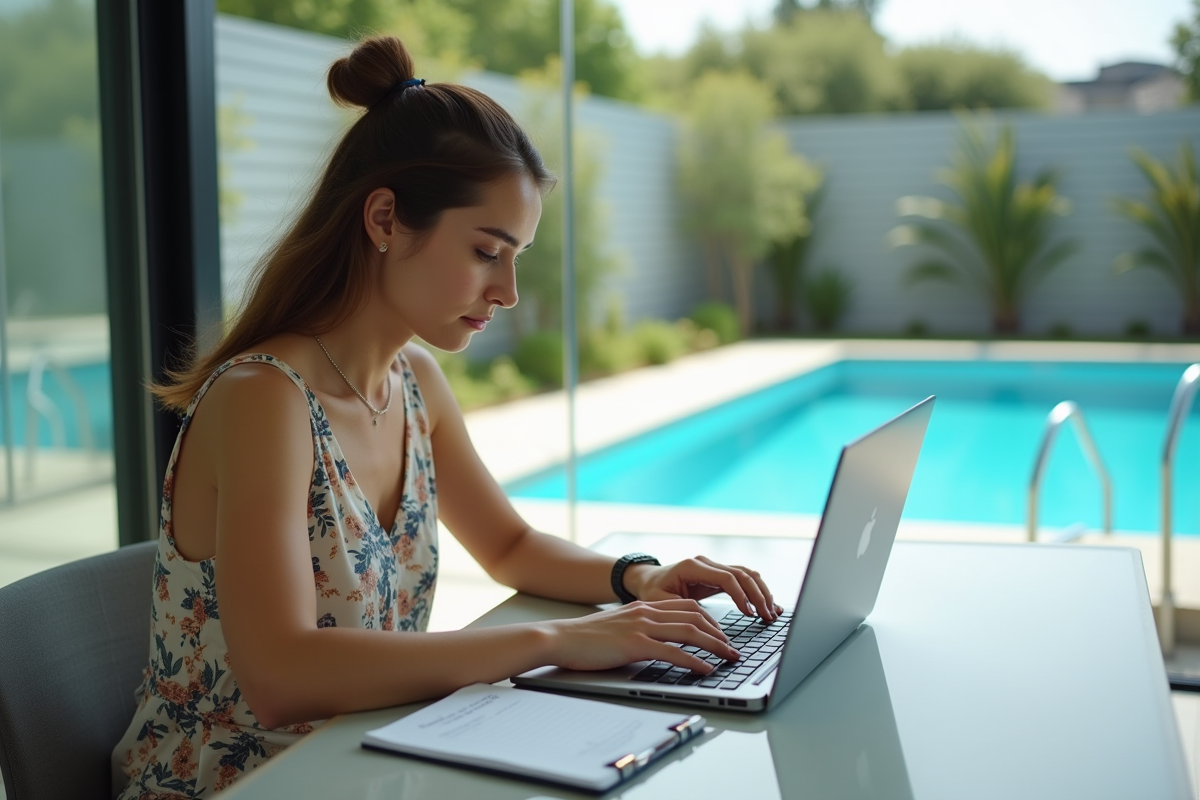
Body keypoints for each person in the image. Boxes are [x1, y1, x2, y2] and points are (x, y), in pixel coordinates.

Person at [112, 35, 781, 798]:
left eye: (517, 254)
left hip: (371, 754)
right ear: (386, 219)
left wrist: (641, 578)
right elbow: (282, 676)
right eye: (487, 251)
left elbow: (511, 543)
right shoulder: (263, 398)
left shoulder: (413, 380)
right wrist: (561, 640)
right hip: (242, 779)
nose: (508, 292)